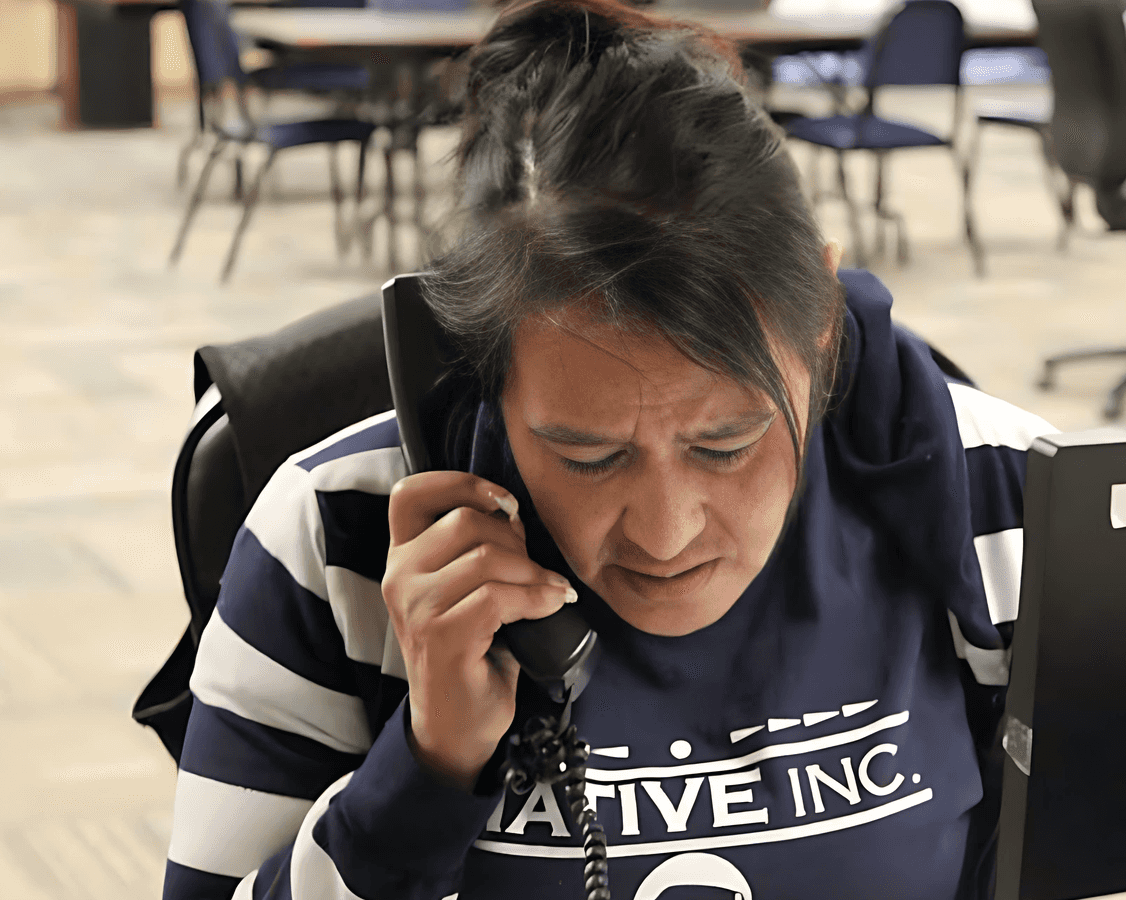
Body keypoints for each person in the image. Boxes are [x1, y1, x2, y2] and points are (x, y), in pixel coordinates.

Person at [160, 0, 1056, 897]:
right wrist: (424, 772)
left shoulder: (1012, 497)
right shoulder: (331, 541)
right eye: (588, 456)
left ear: (821, 325)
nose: (667, 535)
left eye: (729, 442)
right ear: (479, 373)